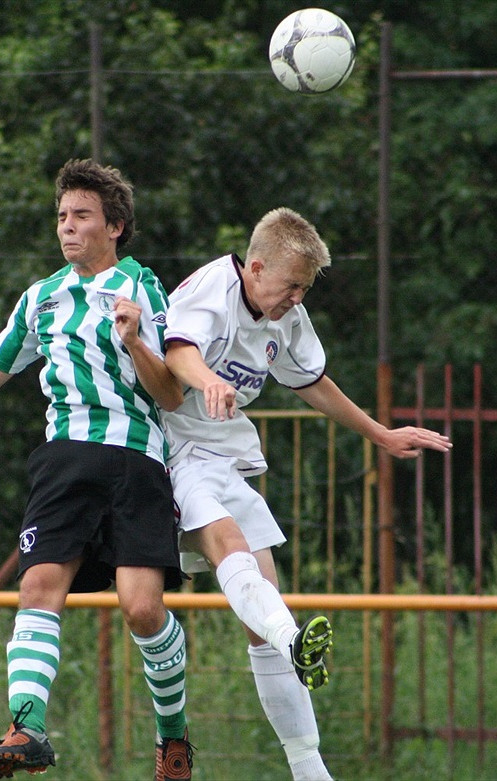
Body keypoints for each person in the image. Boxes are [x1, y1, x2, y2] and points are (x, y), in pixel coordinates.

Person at [0, 159, 195, 781]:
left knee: (140, 609)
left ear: (116, 227)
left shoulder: (146, 291)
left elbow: (172, 396)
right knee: (37, 587)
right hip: (64, 460)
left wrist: (134, 340)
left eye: (82, 217)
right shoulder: (40, 299)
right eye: (61, 217)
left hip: (135, 460)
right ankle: (27, 727)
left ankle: (173, 737)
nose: (67, 228)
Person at [160, 207, 453, 781]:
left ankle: (309, 769)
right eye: (292, 285)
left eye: (304, 289)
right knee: (234, 550)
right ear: (256, 266)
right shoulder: (212, 288)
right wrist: (208, 380)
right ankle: (295, 639)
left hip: (227, 460)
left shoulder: (286, 316)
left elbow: (312, 383)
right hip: (175, 453)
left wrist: (379, 433)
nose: (297, 298)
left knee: (261, 613)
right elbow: (177, 351)